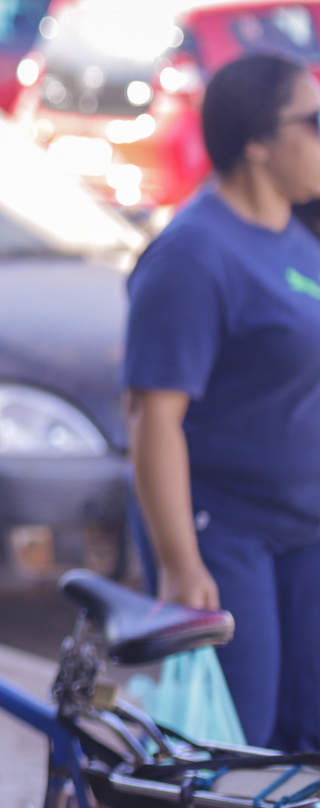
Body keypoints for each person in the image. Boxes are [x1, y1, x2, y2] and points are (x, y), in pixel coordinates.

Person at [125, 53, 320, 751]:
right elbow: (154, 418)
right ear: (259, 142)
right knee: (236, 742)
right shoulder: (195, 253)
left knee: (306, 740)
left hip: (304, 530)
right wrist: (181, 560)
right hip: (225, 531)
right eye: (314, 120)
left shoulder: (298, 238)